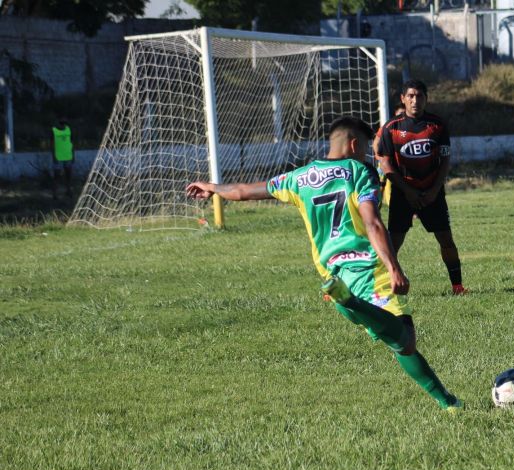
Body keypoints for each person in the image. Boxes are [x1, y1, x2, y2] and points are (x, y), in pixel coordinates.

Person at [185, 116, 463, 411]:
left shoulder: (299, 177)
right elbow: (372, 223)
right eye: (364, 148)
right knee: (404, 341)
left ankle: (448, 402)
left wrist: (213, 187)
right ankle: (354, 305)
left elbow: (243, 191)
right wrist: (394, 267)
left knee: (397, 341)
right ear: (353, 145)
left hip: (334, 274)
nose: (365, 154)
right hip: (370, 271)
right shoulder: (358, 172)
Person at [376, 79, 467, 295]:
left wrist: (434, 191)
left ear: (426, 99)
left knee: (446, 240)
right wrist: (408, 191)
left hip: (432, 193)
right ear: (403, 99)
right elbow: (386, 164)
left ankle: (457, 286)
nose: (415, 100)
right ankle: (381, 288)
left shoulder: (438, 125)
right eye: (410, 96)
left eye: (419, 96)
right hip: (402, 194)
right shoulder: (391, 128)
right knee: (392, 245)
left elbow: (445, 160)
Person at [373, 103, 407, 207]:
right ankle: (376, 206)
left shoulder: (410, 127)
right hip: (385, 162)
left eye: (404, 113)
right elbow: (375, 143)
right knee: (381, 185)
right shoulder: (388, 126)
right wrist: (380, 158)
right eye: (400, 113)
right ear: (395, 113)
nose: (402, 115)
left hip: (401, 164)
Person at [51, 117, 75, 199]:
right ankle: (55, 194)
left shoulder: (69, 130)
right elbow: (52, 145)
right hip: (58, 157)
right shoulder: (54, 131)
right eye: (61, 123)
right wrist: (54, 156)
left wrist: (73, 155)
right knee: (57, 176)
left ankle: (68, 191)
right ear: (58, 124)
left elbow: (72, 143)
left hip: (68, 156)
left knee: (68, 175)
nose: (63, 125)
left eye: (64, 123)